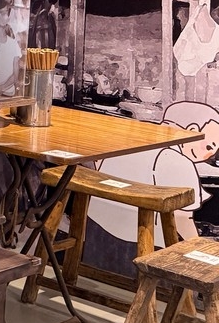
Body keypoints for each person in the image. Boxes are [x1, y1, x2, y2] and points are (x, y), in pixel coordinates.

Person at [93, 100, 219, 244]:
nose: (209, 155)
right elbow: (182, 219)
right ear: (192, 130)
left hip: (94, 233)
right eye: (210, 146)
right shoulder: (178, 162)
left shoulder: (129, 139)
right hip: (140, 242)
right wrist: (198, 248)